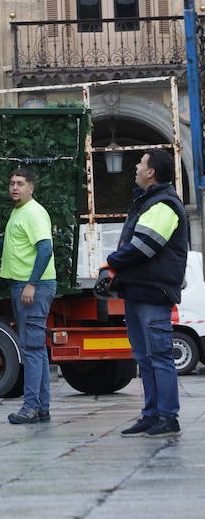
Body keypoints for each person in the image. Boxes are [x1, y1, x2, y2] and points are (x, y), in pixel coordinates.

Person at [102, 149, 188, 437]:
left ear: (151, 172)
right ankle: (151, 415)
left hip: (153, 293)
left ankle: (167, 417)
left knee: (160, 356)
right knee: (145, 357)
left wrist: (112, 262)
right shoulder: (147, 201)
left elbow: (144, 246)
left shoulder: (164, 204)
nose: (136, 166)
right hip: (139, 292)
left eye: (140, 163)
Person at [0, 166, 56, 425]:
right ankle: (41, 407)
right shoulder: (18, 212)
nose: (14, 187)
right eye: (12, 182)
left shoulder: (33, 212)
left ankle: (30, 407)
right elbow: (15, 245)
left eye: (20, 183)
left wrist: (32, 284)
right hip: (24, 286)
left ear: (31, 187)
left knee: (32, 350)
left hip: (32, 288)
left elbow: (45, 249)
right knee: (37, 350)